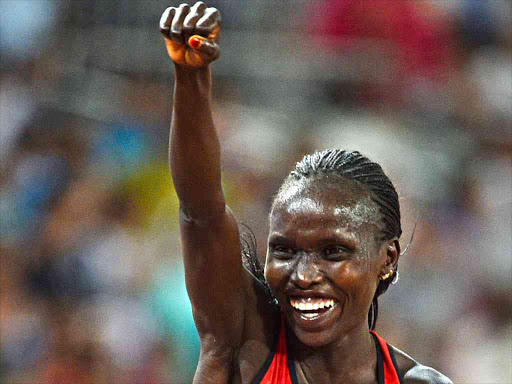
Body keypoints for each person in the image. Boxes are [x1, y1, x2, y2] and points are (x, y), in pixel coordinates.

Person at [159, 2, 453, 383]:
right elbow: (201, 211)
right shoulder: (244, 340)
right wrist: (191, 78)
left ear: (387, 259)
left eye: (333, 251)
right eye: (284, 249)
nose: (304, 274)